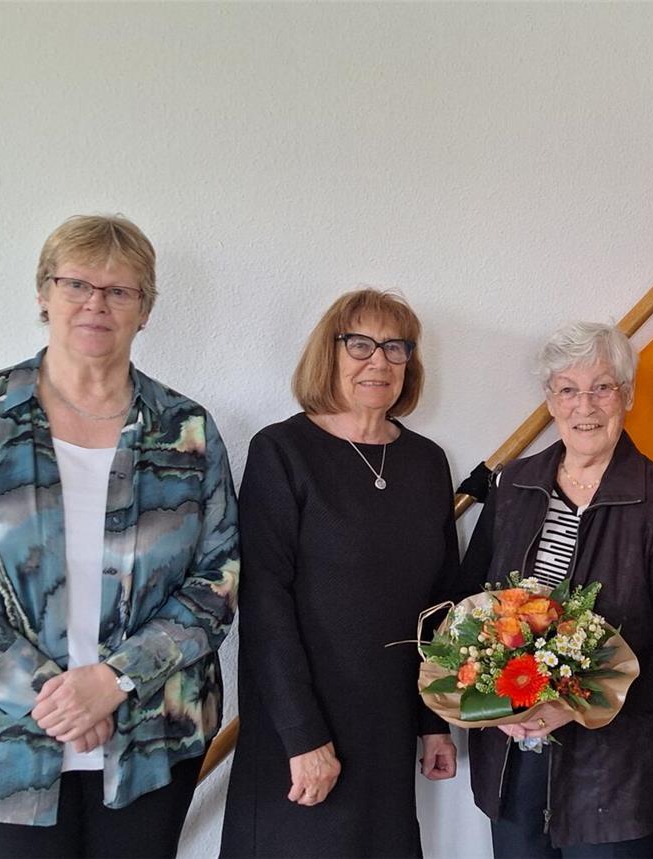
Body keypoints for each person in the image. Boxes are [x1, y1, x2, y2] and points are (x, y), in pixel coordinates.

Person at [0, 215, 240, 858]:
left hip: (152, 745)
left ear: (145, 311)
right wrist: (48, 693)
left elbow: (220, 579)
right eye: (76, 284)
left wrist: (114, 680)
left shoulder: (186, 430)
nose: (96, 303)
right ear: (44, 294)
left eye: (120, 290)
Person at [461, 321, 653, 858]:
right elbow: (467, 612)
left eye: (603, 387)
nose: (586, 406)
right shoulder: (513, 487)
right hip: (515, 766)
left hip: (619, 781)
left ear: (627, 395)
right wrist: (493, 697)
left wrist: (580, 702)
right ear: (550, 400)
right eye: (568, 389)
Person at [219, 288, 459, 858]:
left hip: (388, 723)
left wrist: (435, 720)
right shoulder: (283, 451)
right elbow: (264, 604)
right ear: (329, 353)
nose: (380, 361)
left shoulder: (427, 461)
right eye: (360, 345)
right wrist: (303, 736)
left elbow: (442, 601)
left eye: (396, 347)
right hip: (301, 724)